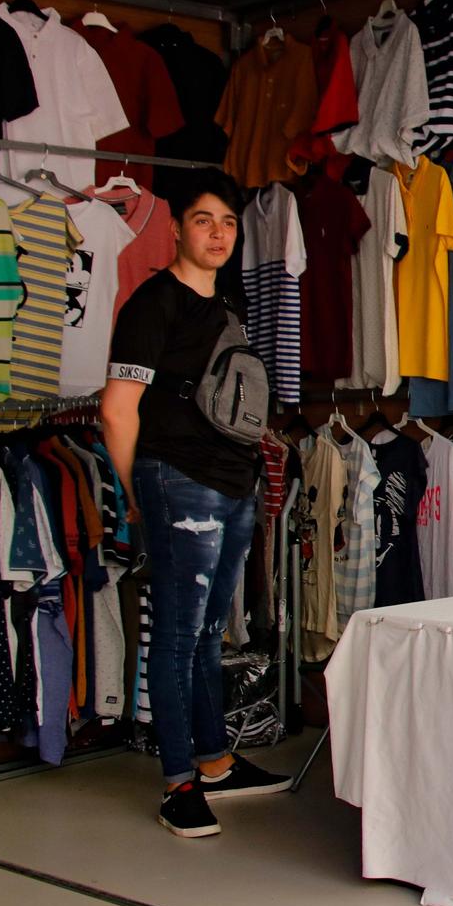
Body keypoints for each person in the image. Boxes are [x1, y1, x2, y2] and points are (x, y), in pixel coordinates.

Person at [101, 171, 290, 839]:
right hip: (176, 479)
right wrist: (134, 494)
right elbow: (118, 410)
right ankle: (179, 781)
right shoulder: (152, 304)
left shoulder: (228, 304)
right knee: (178, 636)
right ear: (177, 227)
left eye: (228, 223)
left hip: (234, 481)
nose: (217, 234)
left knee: (212, 631)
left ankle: (215, 760)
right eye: (204, 220)